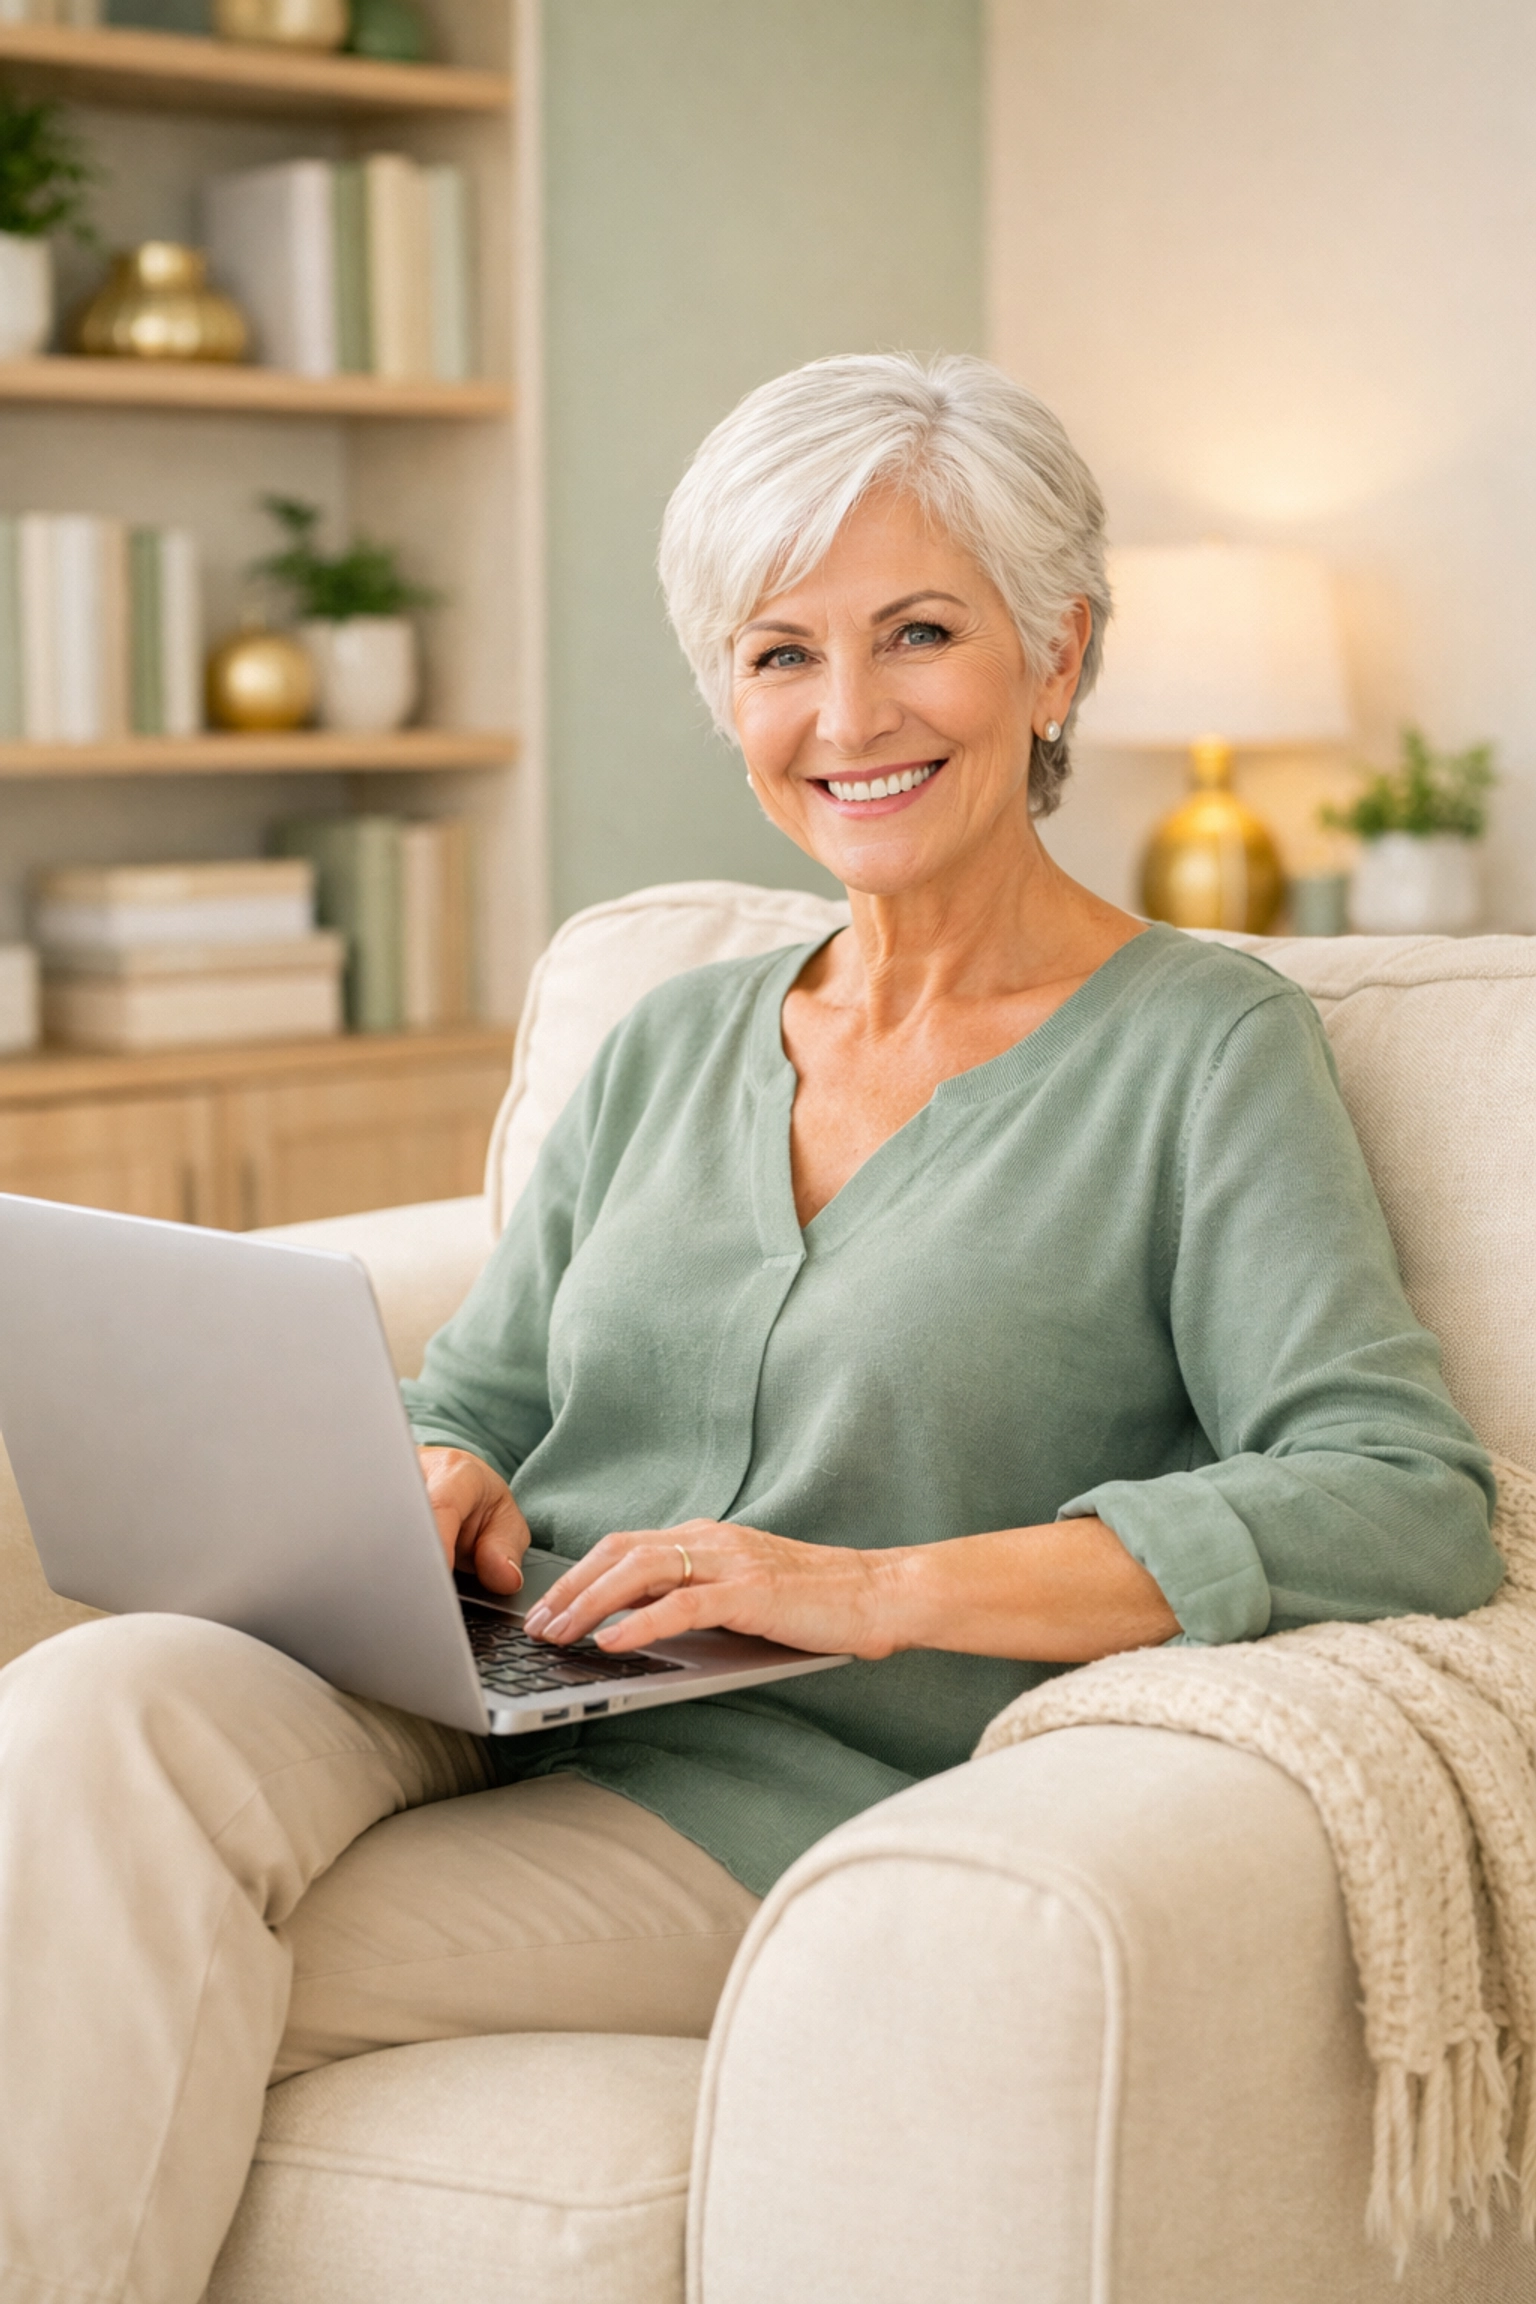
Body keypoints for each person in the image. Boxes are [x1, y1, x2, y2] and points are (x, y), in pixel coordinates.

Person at [0, 354, 1501, 2302]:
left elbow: (1398, 1496)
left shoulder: (1203, 1056)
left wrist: (869, 1589)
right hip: (480, 1681)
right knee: (83, 1718)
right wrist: (435, 1464)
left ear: (1060, 657)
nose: (850, 714)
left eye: (921, 634)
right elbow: (487, 1384)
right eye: (781, 651)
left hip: (777, 1789)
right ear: (729, 697)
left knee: (91, 1945)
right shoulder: (675, 1032)